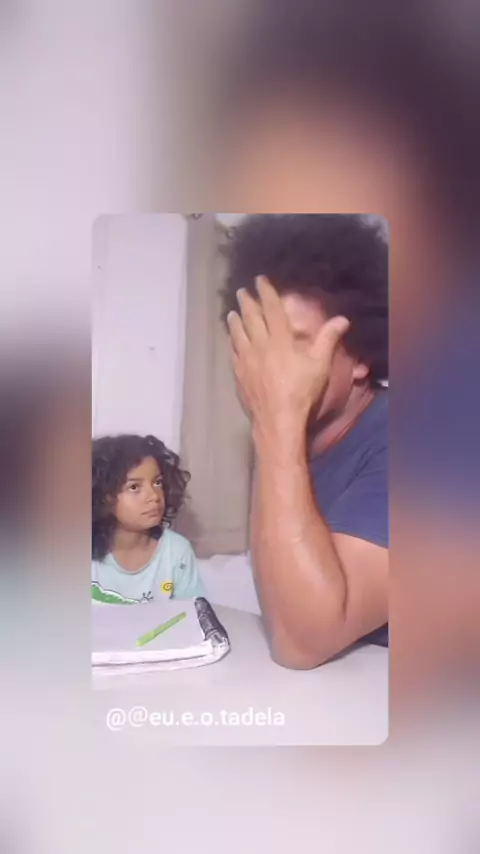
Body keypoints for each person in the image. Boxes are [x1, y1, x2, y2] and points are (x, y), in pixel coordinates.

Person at [222, 214, 388, 668]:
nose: (266, 368)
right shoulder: (291, 438)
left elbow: (301, 643)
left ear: (361, 356)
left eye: (294, 345)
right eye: (254, 345)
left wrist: (274, 423)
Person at [92, 434, 205, 604]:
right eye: (134, 487)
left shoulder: (176, 552)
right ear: (104, 496)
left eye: (157, 483)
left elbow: (193, 613)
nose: (154, 496)